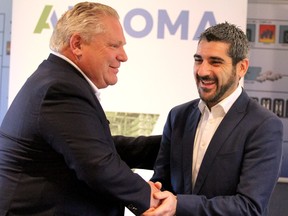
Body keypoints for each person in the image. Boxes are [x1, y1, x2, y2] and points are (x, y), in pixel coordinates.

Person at [0, 2, 162, 216]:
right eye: (114, 45)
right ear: (77, 44)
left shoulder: (57, 79)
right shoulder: (60, 88)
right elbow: (97, 165)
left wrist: (170, 146)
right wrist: (149, 197)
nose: (123, 56)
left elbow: (95, 148)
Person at [144, 22, 283, 216]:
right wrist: (151, 196)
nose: (202, 71)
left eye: (215, 62)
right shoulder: (178, 116)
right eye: (198, 60)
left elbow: (250, 207)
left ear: (241, 68)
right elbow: (162, 182)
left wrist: (179, 205)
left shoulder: (264, 125)